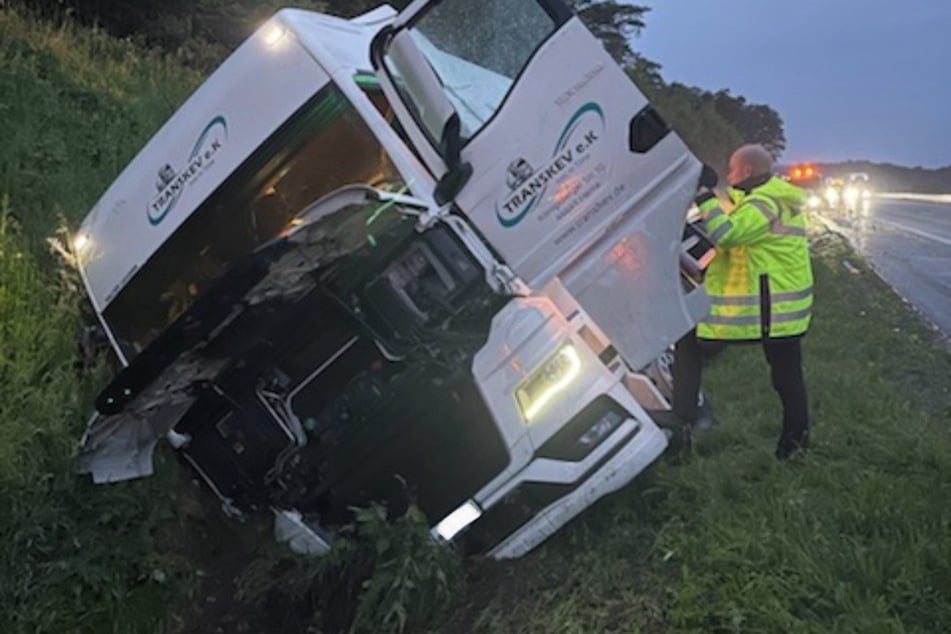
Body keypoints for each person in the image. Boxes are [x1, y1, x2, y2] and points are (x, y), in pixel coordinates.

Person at [669, 144, 814, 460]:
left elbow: (727, 234)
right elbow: (733, 213)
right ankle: (795, 445)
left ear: (747, 171)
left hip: (771, 310)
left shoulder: (765, 203)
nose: (729, 174)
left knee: (689, 342)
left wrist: (705, 194)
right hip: (780, 310)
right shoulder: (768, 198)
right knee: (787, 377)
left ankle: (682, 428)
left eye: (732, 169)